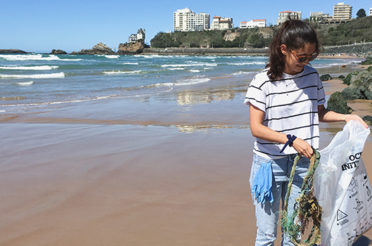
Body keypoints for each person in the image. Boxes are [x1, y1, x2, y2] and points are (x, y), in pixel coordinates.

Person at [244, 19, 368, 246]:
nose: (306, 62)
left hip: (303, 165)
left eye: (311, 56)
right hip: (269, 165)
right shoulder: (262, 82)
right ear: (284, 49)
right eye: (302, 57)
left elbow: (319, 113)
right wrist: (292, 140)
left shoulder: (312, 77)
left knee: (293, 235)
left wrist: (346, 117)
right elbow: (256, 128)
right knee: (266, 236)